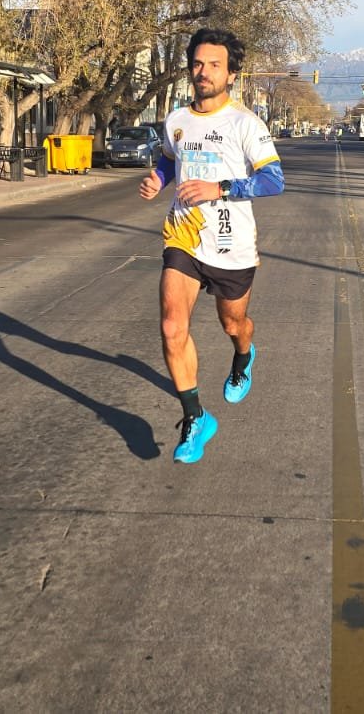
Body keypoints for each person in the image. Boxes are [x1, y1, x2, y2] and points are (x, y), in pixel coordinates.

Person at [139, 28, 284, 464]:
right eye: (198, 64)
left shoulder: (245, 123)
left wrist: (220, 187)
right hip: (183, 234)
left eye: (215, 65)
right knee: (171, 326)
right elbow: (170, 160)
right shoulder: (176, 120)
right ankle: (195, 417)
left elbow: (273, 180)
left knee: (233, 324)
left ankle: (244, 355)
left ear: (231, 74)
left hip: (230, 244)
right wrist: (157, 179)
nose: (204, 72)